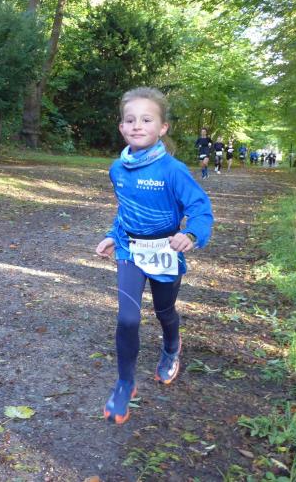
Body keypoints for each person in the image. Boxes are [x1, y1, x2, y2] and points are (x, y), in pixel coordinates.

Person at [96, 87, 213, 425]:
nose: (137, 125)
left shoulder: (173, 170)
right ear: (121, 127)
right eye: (130, 120)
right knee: (127, 319)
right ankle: (124, 383)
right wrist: (112, 235)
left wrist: (191, 234)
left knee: (164, 311)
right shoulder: (117, 168)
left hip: (166, 251)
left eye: (146, 120)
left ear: (162, 128)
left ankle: (172, 346)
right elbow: (126, 210)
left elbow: (200, 208)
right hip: (130, 250)